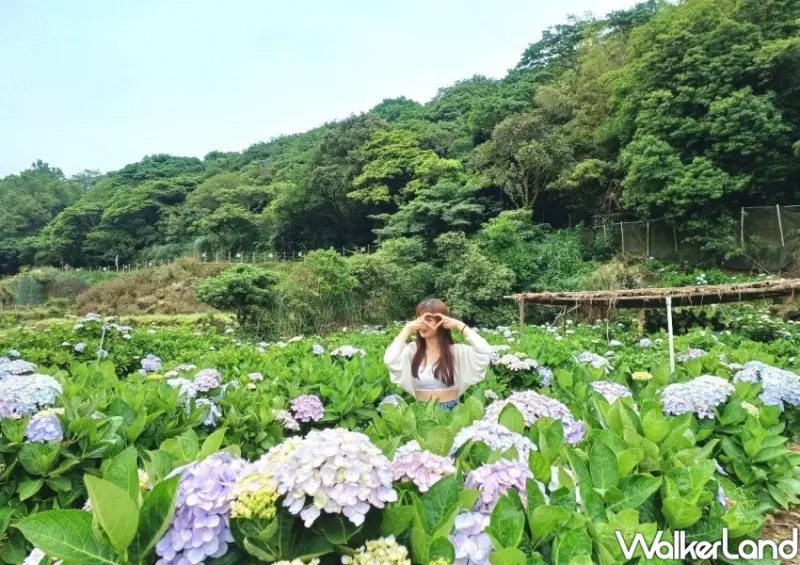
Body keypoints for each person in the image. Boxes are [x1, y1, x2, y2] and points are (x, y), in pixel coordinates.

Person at [383, 298, 493, 410]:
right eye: (419, 319)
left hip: (451, 412)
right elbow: (389, 360)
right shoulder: (412, 352)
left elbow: (485, 352)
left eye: (428, 320)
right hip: (421, 411)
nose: (422, 324)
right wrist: (407, 329)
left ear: (441, 322)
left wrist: (459, 325)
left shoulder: (457, 352)